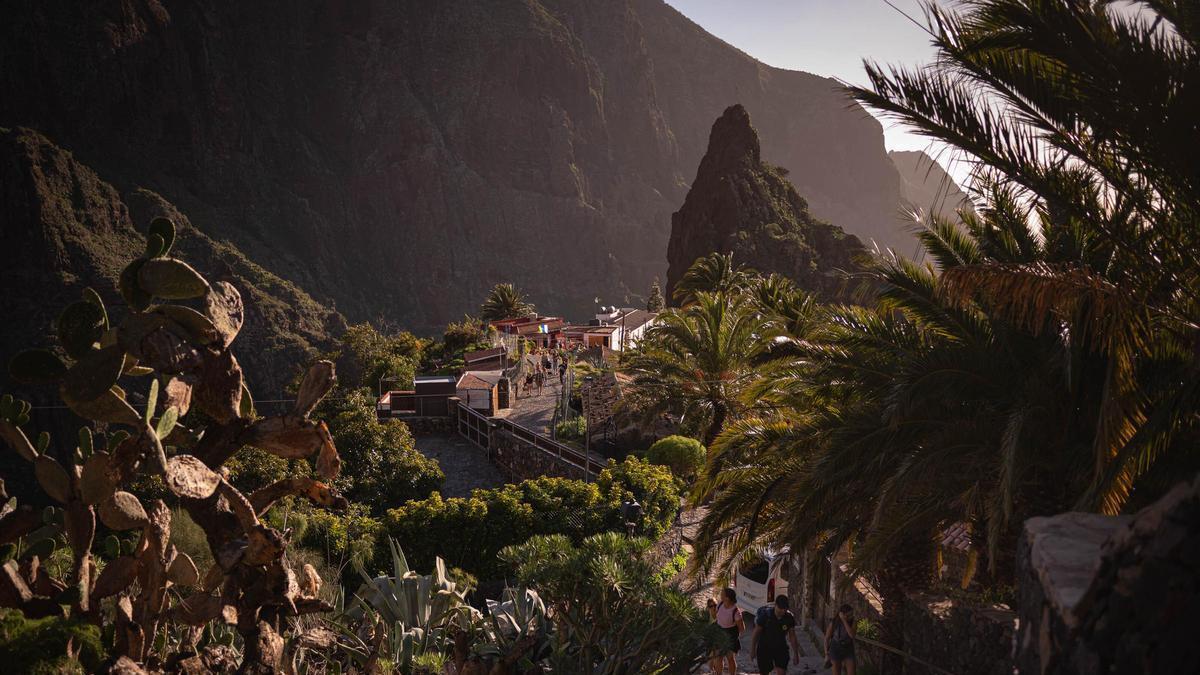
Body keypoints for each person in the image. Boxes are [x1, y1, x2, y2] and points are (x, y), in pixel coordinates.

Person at [752, 595, 799, 675]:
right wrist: (753, 649)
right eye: (780, 608)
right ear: (775, 605)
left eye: (785, 609)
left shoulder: (788, 618)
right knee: (764, 672)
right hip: (765, 648)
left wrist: (795, 653)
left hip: (780, 648)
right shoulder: (766, 616)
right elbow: (756, 633)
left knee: (782, 672)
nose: (782, 611)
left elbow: (792, 636)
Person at [708, 588, 745, 674]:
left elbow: (742, 628)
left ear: (727, 598)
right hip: (719, 634)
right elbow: (715, 617)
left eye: (722, 594)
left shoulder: (736, 612)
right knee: (718, 657)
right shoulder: (720, 604)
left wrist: (734, 637)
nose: (720, 595)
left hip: (730, 637)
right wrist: (711, 610)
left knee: (730, 659)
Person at [824, 604, 856, 675]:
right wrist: (826, 654)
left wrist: (844, 621)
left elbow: (851, 635)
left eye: (851, 615)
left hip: (848, 648)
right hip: (835, 648)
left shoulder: (853, 622)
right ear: (842, 614)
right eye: (848, 615)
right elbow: (826, 638)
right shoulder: (834, 622)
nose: (851, 617)